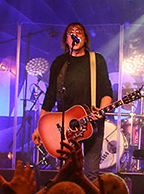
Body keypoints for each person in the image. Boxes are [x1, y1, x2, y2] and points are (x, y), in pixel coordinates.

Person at [35, 22, 113, 181]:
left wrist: (101, 109)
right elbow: (50, 95)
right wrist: (39, 127)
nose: (75, 34)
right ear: (66, 40)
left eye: (79, 32)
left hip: (92, 124)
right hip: (66, 126)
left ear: (85, 39)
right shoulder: (60, 62)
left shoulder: (96, 60)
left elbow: (107, 90)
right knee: (67, 173)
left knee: (91, 173)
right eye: (71, 32)